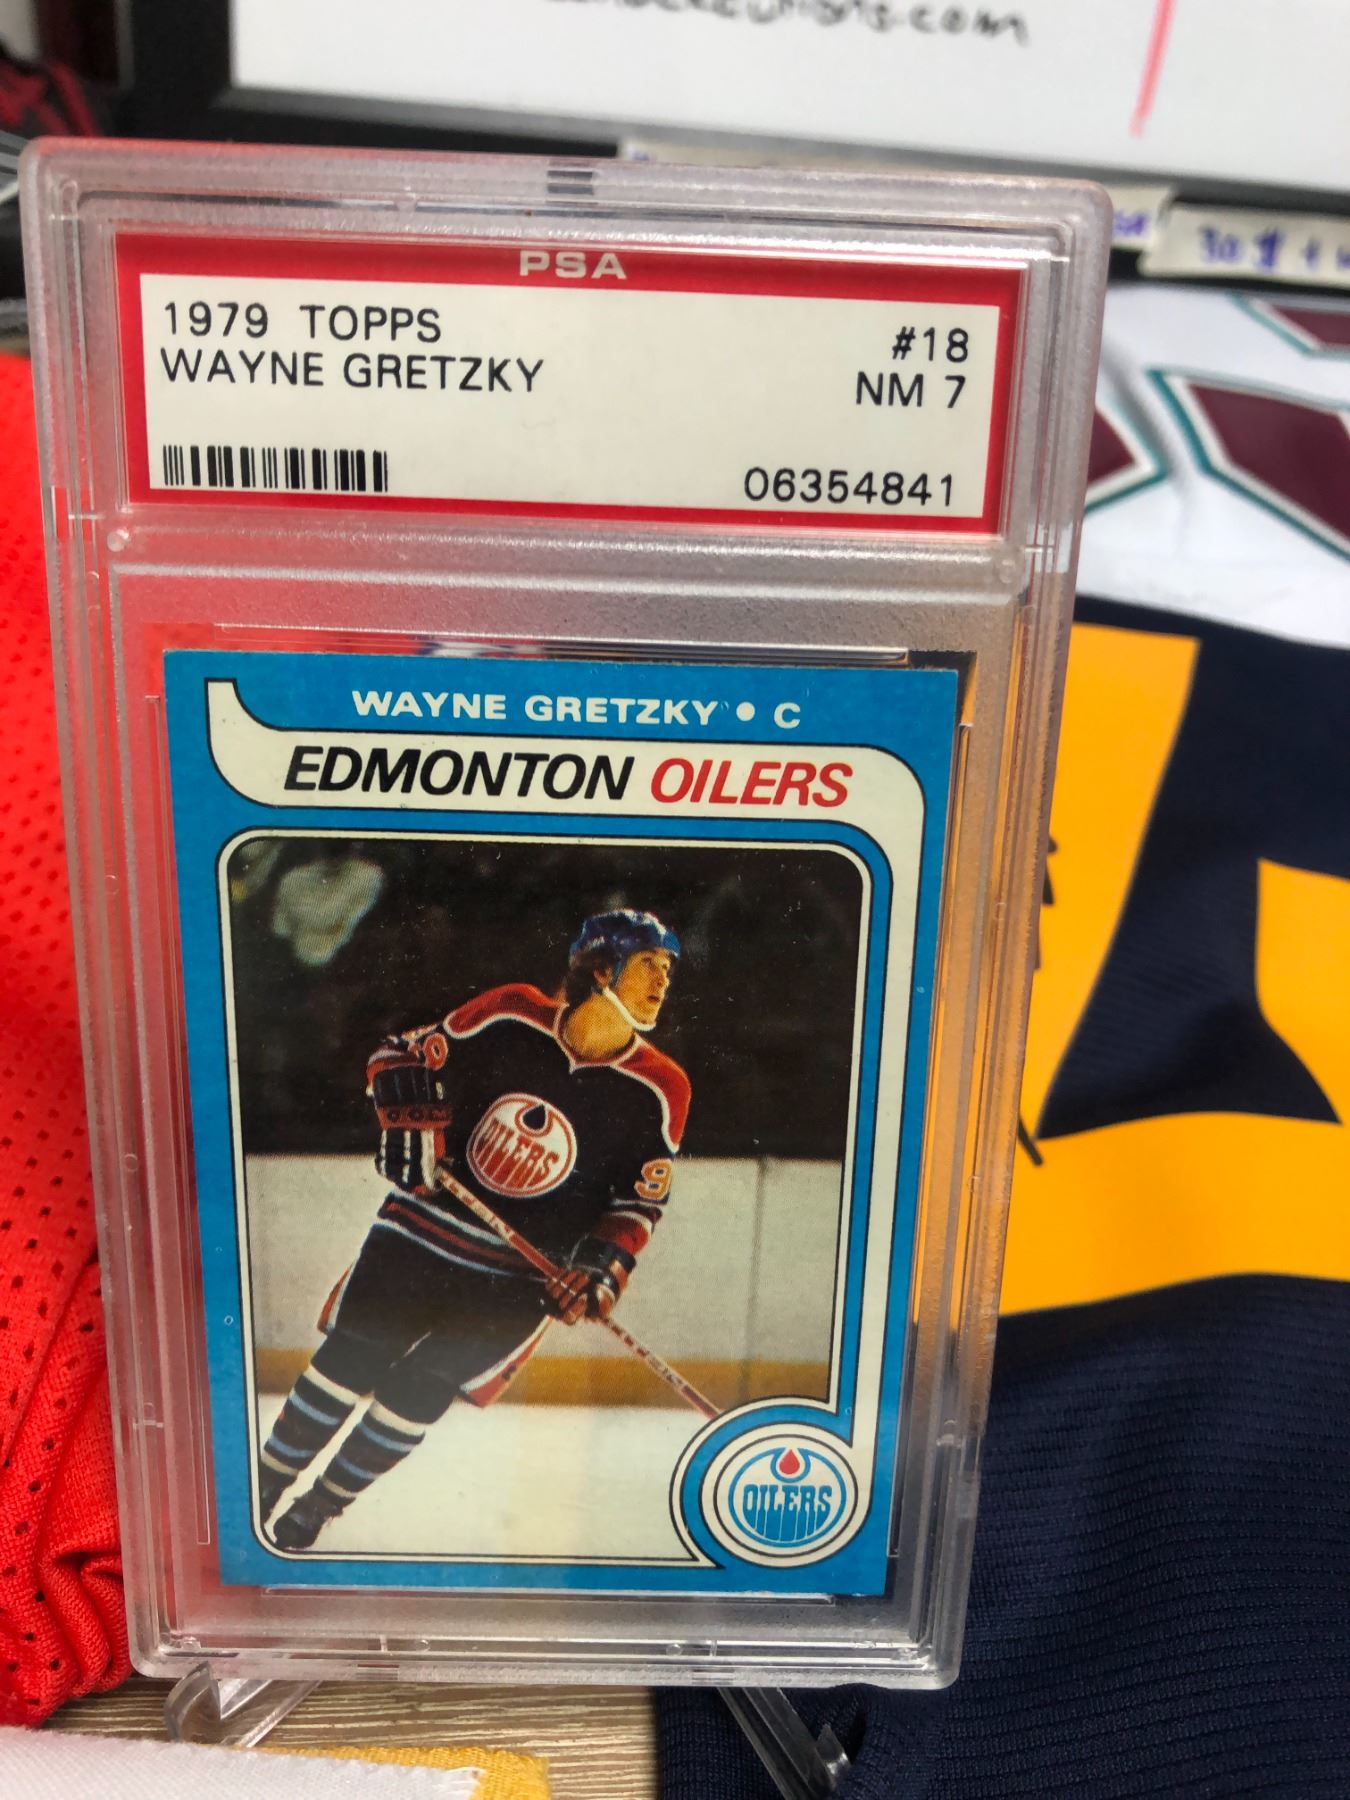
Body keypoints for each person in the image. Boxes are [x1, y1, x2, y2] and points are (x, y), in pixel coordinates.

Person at [258, 909, 690, 1551]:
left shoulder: (661, 1089)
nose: (662, 983)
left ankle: (319, 1506)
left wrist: (599, 1270)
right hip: (422, 1228)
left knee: (420, 1389)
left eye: (668, 972)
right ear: (603, 969)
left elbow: (637, 1204)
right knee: (352, 1355)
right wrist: (405, 1112)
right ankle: (263, 1487)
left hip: (519, 1279)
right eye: (649, 966)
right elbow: (400, 1054)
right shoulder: (510, 1013)